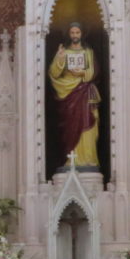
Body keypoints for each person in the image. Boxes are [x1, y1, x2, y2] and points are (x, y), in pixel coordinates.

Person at [48, 22, 101, 170]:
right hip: (69, 96)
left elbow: (95, 72)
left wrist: (83, 73)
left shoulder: (88, 52)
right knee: (70, 128)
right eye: (72, 33)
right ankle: (71, 160)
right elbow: (54, 74)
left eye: (77, 32)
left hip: (84, 93)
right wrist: (59, 59)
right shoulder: (63, 52)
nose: (75, 35)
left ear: (82, 33)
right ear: (69, 34)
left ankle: (88, 159)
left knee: (88, 125)